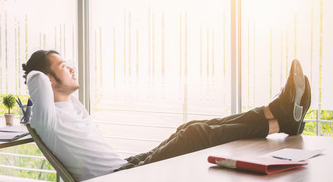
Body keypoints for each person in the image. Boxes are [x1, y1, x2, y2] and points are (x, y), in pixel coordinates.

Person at [22, 50, 311, 181]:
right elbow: (34, 76)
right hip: (118, 178)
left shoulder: (70, 107)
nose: (71, 67)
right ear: (46, 79)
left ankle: (278, 117)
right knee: (193, 135)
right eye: (62, 65)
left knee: (189, 127)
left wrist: (55, 69)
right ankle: (281, 116)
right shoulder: (46, 120)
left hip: (125, 166)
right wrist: (35, 70)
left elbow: (50, 82)